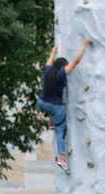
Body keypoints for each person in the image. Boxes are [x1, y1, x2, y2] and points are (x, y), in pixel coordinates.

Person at [36, 38, 90, 169]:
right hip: (55, 107)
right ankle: (61, 157)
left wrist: (53, 51)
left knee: (50, 107)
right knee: (60, 131)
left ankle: (51, 122)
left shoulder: (47, 70)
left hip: (41, 103)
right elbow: (75, 62)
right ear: (62, 67)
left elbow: (49, 60)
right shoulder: (60, 74)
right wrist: (84, 45)